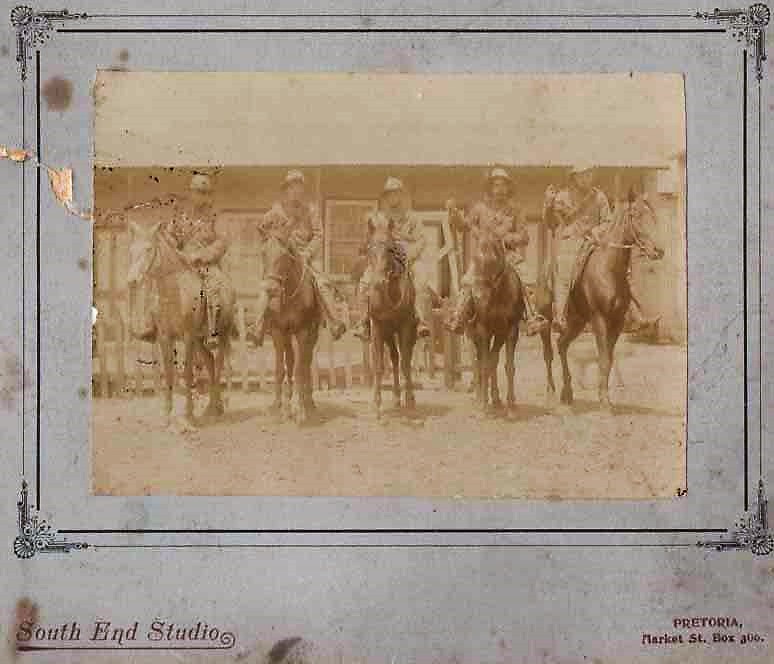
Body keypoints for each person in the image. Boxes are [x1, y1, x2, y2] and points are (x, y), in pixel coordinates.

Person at [246, 170, 346, 346]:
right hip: (282, 256)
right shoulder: (275, 211)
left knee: (321, 282)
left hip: (305, 254)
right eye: (292, 187)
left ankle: (334, 322)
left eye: (299, 187)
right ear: (286, 190)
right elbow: (262, 231)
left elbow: (318, 235)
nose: (296, 191)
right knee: (266, 286)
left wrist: (308, 252)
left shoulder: (310, 210)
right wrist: (272, 245)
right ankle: (257, 328)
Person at [445, 167, 549, 336]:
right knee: (469, 279)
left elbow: (524, 237)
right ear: (490, 188)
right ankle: (458, 316)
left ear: (508, 188)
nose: (499, 189)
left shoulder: (516, 209)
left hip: (508, 255)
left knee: (526, 278)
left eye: (503, 185)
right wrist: (454, 214)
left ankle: (531, 317)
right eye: (496, 185)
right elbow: (463, 226)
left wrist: (507, 238)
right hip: (484, 256)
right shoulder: (479, 209)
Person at [132, 172, 229, 348]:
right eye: (195, 192)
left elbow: (222, 243)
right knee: (157, 282)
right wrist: (165, 237)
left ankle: (212, 330)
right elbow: (172, 236)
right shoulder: (182, 217)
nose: (198, 196)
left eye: (203, 193)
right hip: (182, 264)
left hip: (206, 265)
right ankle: (150, 323)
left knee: (214, 287)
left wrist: (201, 256)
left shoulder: (216, 217)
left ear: (208, 195)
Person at [351, 177, 432, 342]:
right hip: (384, 260)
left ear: (401, 196)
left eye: (396, 194)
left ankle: (420, 320)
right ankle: (363, 321)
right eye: (389, 194)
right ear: (386, 197)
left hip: (409, 258)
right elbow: (369, 241)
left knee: (421, 279)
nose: (393, 198)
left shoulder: (413, 218)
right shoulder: (379, 218)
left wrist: (409, 256)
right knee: (365, 283)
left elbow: (422, 240)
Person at [543, 163, 612, 334]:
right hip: (571, 241)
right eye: (583, 175)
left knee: (618, 266)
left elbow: (608, 221)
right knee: (564, 267)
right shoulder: (562, 197)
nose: (587, 178)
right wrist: (548, 204)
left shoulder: (599, 197)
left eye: (589, 174)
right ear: (574, 177)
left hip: (594, 241)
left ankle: (633, 312)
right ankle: (560, 314)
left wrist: (596, 231)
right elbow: (551, 224)